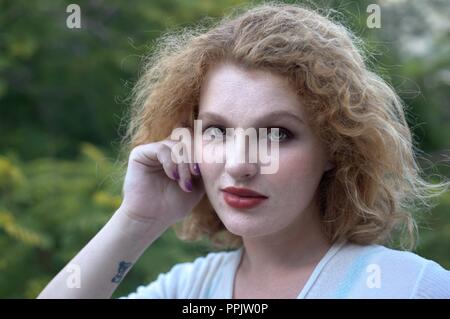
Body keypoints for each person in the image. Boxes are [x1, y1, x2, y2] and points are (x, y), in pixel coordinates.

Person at [38, 2, 450, 299]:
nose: (239, 165)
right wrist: (137, 220)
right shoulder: (188, 290)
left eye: (276, 134)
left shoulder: (409, 287)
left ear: (334, 149)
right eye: (216, 130)